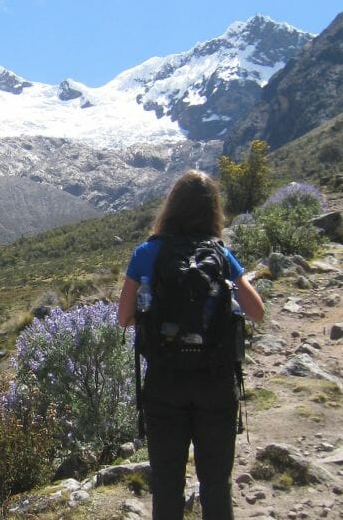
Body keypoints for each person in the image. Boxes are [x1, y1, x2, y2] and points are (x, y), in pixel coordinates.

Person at [117, 169, 265, 520]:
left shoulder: (146, 253)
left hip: (164, 382)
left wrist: (159, 321)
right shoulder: (221, 255)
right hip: (215, 381)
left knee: (167, 484)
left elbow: (123, 317)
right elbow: (257, 312)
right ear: (212, 211)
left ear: (171, 207)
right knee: (216, 483)